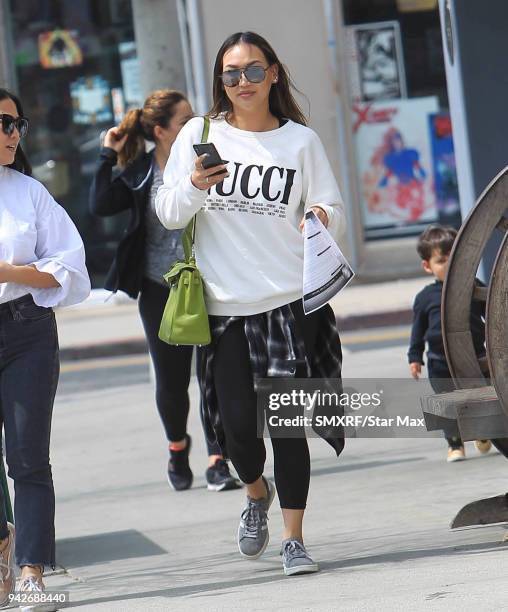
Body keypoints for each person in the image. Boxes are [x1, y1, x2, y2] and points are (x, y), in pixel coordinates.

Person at [156, 32, 346, 576]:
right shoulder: (201, 132)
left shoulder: (300, 142)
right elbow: (169, 212)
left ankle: (294, 539)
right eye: (231, 74)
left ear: (274, 74)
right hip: (226, 308)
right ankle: (255, 493)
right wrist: (194, 183)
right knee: (237, 429)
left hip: (289, 304)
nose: (242, 82)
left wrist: (322, 216)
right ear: (221, 81)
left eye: (253, 71)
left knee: (288, 427)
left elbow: (329, 199)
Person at [89, 90, 240, 492]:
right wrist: (108, 155)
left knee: (213, 375)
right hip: (161, 289)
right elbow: (101, 204)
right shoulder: (141, 172)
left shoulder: (209, 157)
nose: (194, 123)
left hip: (212, 282)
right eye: (183, 119)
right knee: (172, 384)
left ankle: (218, 458)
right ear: (160, 131)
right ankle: (177, 446)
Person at [0, 88, 90, 605]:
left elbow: (68, 266)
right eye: (4, 123)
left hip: (26, 330)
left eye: (17, 124)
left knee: (28, 456)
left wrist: (11, 272)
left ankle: (31, 571)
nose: (14, 134)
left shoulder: (29, 193)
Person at [408, 225, 492, 461]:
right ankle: (455, 445)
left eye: (455, 255)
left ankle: (483, 433)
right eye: (442, 260)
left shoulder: (474, 286)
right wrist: (414, 358)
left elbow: (493, 314)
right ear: (427, 266)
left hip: (474, 358)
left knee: (479, 399)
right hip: (439, 363)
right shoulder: (425, 298)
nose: (451, 263)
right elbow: (418, 331)